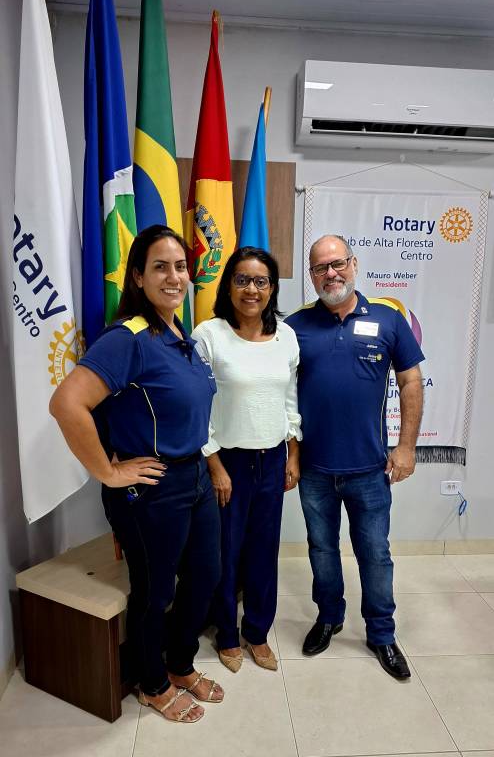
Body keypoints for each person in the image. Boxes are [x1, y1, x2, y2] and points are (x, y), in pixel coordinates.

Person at [49, 225, 223, 723]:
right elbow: (67, 404)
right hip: (152, 488)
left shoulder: (180, 335)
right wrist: (108, 471)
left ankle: (180, 663)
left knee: (206, 576)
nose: (174, 277)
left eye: (181, 267)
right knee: (155, 591)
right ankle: (152, 683)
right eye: (160, 267)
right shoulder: (127, 338)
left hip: (194, 477)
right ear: (138, 277)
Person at [285, 234, 424, 680]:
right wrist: (291, 453)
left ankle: (381, 634)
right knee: (322, 549)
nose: (331, 274)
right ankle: (329, 617)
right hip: (314, 471)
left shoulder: (388, 318)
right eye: (320, 268)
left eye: (338, 263)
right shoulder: (295, 326)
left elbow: (411, 382)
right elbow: (281, 393)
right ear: (312, 276)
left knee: (375, 554)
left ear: (354, 263)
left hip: (369, 469)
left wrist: (406, 446)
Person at [192, 247, 301, 673]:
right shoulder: (209, 335)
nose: (251, 289)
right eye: (242, 280)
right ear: (228, 286)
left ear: (272, 289)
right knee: (226, 553)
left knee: (263, 552)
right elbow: (198, 406)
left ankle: (257, 632)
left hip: (273, 460)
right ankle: (226, 634)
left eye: (260, 281)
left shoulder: (286, 336)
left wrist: (293, 452)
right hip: (228, 463)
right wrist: (214, 464)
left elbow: (289, 398)